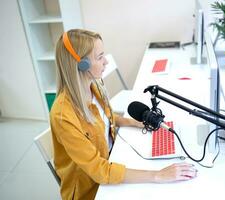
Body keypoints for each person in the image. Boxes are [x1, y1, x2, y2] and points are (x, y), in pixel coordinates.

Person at [50, 29, 197, 200]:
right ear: (81, 65)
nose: (105, 62)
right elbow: (100, 171)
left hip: (112, 159)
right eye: (99, 57)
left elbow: (106, 119)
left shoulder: (92, 86)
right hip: (92, 189)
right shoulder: (63, 115)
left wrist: (136, 123)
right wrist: (158, 175)